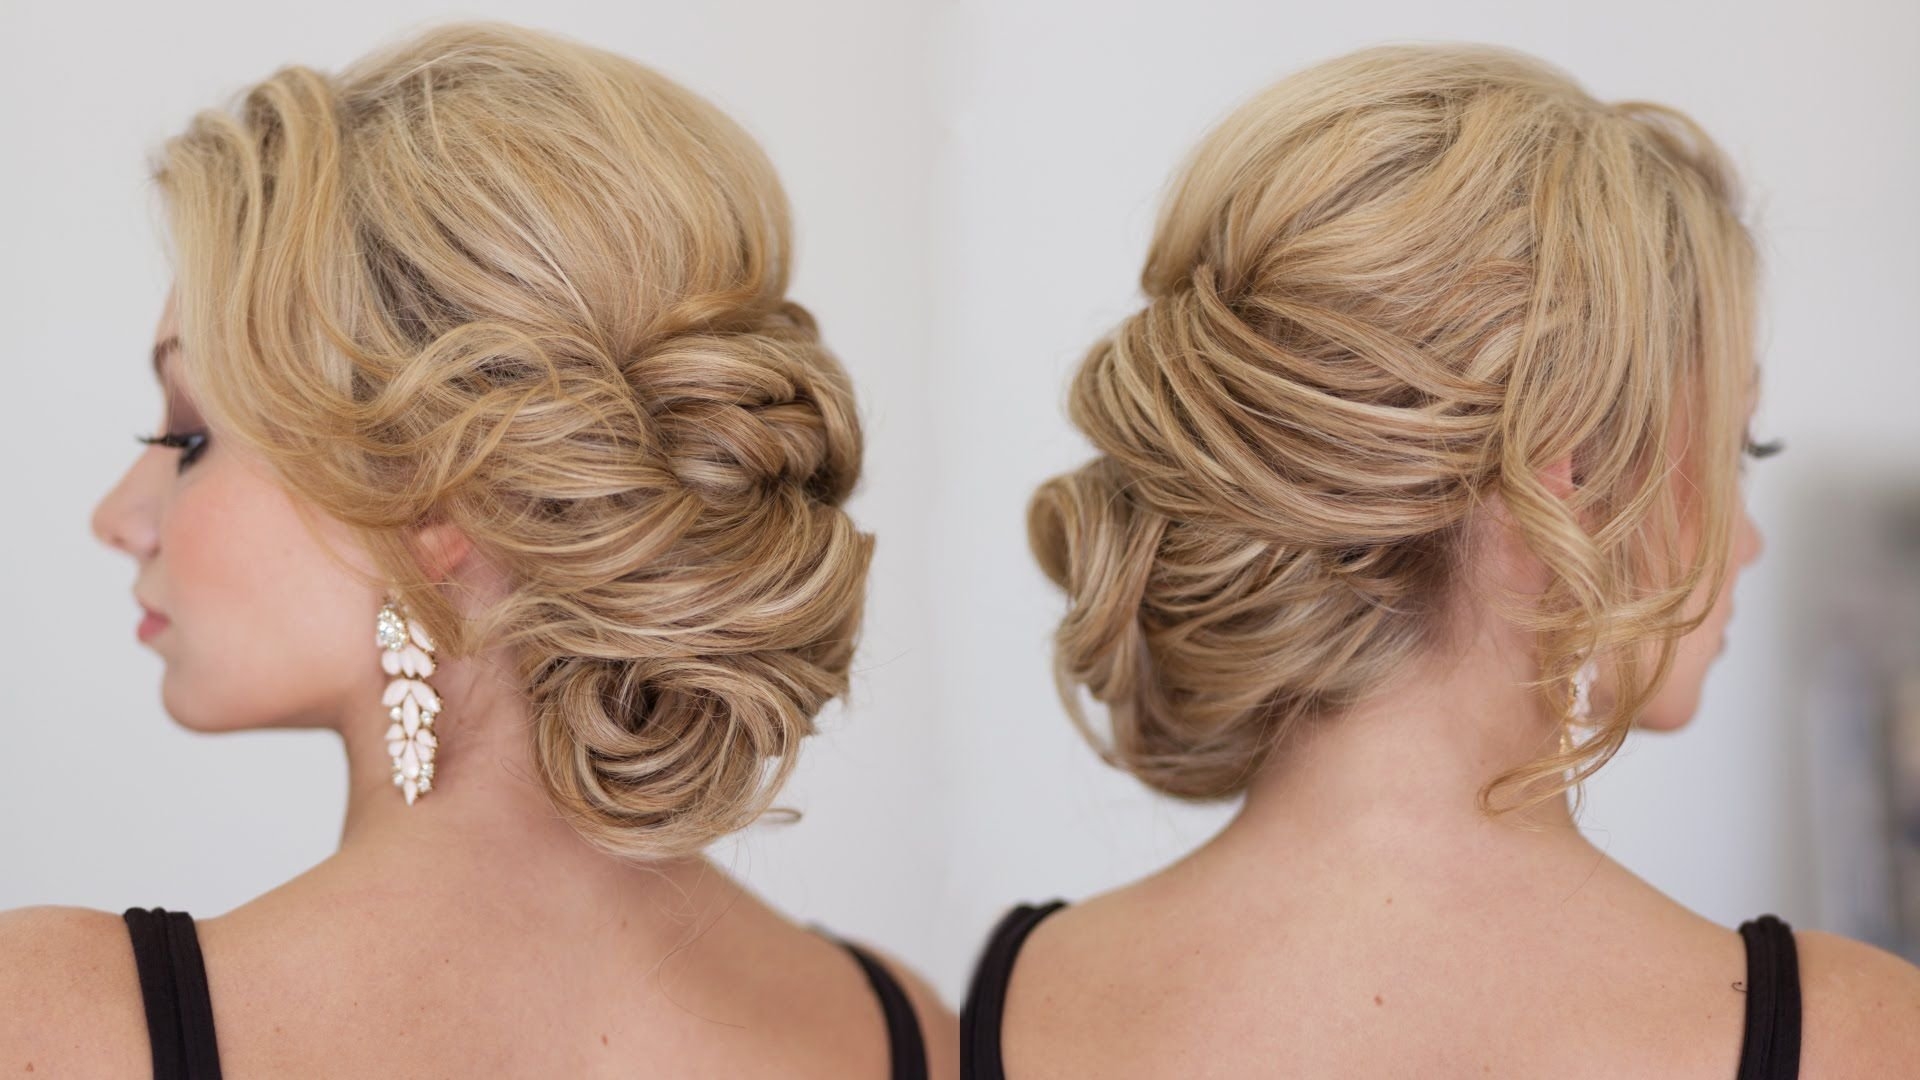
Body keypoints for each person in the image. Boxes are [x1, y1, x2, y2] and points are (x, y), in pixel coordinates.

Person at [0, 20, 954, 1078]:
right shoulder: (908, 1030)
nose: (118, 516)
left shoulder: (53, 1026)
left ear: (433, 500)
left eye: (187, 436)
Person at [964, 42, 1920, 1078]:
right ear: (1572, 472)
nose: (1752, 540)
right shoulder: (1858, 1039)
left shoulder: (1012, 1000)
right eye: (1737, 451)